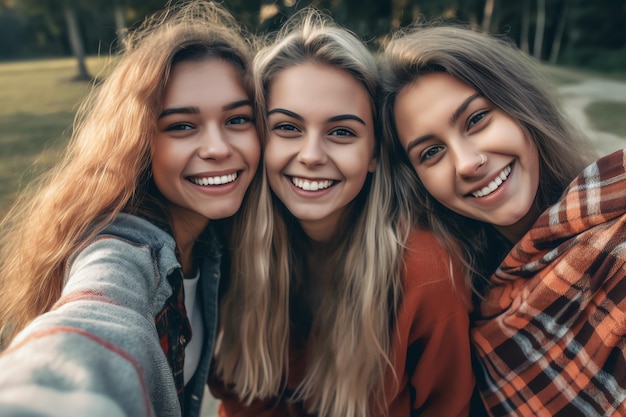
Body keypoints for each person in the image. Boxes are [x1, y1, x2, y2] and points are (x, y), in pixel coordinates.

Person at [209, 10, 475, 417]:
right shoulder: (232, 243)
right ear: (260, 137)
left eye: (342, 132)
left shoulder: (428, 274)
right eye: (287, 128)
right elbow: (239, 398)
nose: (311, 156)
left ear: (373, 154)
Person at [0, 1, 260, 416]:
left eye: (237, 119)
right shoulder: (123, 249)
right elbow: (97, 312)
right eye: (181, 126)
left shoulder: (217, 238)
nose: (217, 148)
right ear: (138, 141)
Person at [379, 24, 626, 416]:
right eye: (431, 153)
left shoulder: (617, 236)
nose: (467, 163)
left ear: (521, 106)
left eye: (476, 120)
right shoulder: (460, 299)